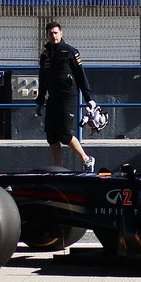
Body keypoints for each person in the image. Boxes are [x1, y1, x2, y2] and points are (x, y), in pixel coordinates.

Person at [35, 22, 96, 171]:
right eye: (50, 33)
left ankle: (87, 159)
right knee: (51, 135)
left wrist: (89, 98)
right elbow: (42, 79)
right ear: (47, 35)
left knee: (64, 133)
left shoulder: (70, 52)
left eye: (56, 32)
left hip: (67, 97)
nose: (53, 35)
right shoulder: (45, 55)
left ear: (61, 33)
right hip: (52, 98)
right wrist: (40, 100)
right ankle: (58, 168)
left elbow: (81, 76)